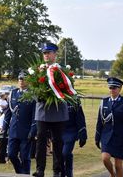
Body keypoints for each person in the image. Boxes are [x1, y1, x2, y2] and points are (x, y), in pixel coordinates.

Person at [33, 42, 69, 177]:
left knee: (58, 142)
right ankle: (40, 170)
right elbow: (33, 88)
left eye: (48, 52)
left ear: (55, 54)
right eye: (44, 53)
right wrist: (40, 96)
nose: (46, 55)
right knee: (41, 141)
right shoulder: (38, 70)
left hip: (58, 111)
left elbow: (67, 89)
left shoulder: (62, 70)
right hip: (42, 111)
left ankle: (57, 170)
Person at [95, 77, 123, 177]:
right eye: (110, 88)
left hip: (120, 137)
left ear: (120, 89)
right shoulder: (104, 102)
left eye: (114, 88)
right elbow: (99, 121)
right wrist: (97, 137)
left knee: (118, 165)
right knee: (105, 158)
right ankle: (112, 174)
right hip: (106, 136)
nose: (112, 90)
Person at [3, 72, 36, 174]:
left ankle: (25, 174)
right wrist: (4, 127)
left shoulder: (32, 94)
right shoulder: (13, 93)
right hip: (13, 131)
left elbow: (35, 115)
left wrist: (33, 130)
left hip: (26, 132)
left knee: (25, 157)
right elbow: (8, 113)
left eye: (23, 79)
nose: (21, 81)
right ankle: (20, 172)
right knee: (11, 155)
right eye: (19, 79)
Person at [61, 101, 87, 177]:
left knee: (65, 153)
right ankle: (63, 174)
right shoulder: (56, 96)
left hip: (71, 132)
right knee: (60, 156)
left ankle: (68, 173)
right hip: (59, 131)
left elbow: (80, 117)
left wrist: (83, 134)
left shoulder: (74, 100)